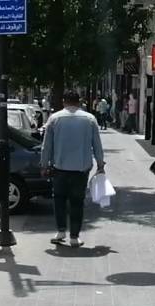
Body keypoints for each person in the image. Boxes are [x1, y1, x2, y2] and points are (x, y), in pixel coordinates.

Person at [40, 90, 105, 248]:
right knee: (77, 202)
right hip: (81, 170)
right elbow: (97, 144)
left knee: (59, 200)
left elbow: (46, 146)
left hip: (59, 168)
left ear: (64, 101)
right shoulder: (90, 119)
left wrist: (44, 165)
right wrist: (100, 164)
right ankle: (74, 237)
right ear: (79, 102)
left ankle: (61, 231)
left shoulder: (54, 118)